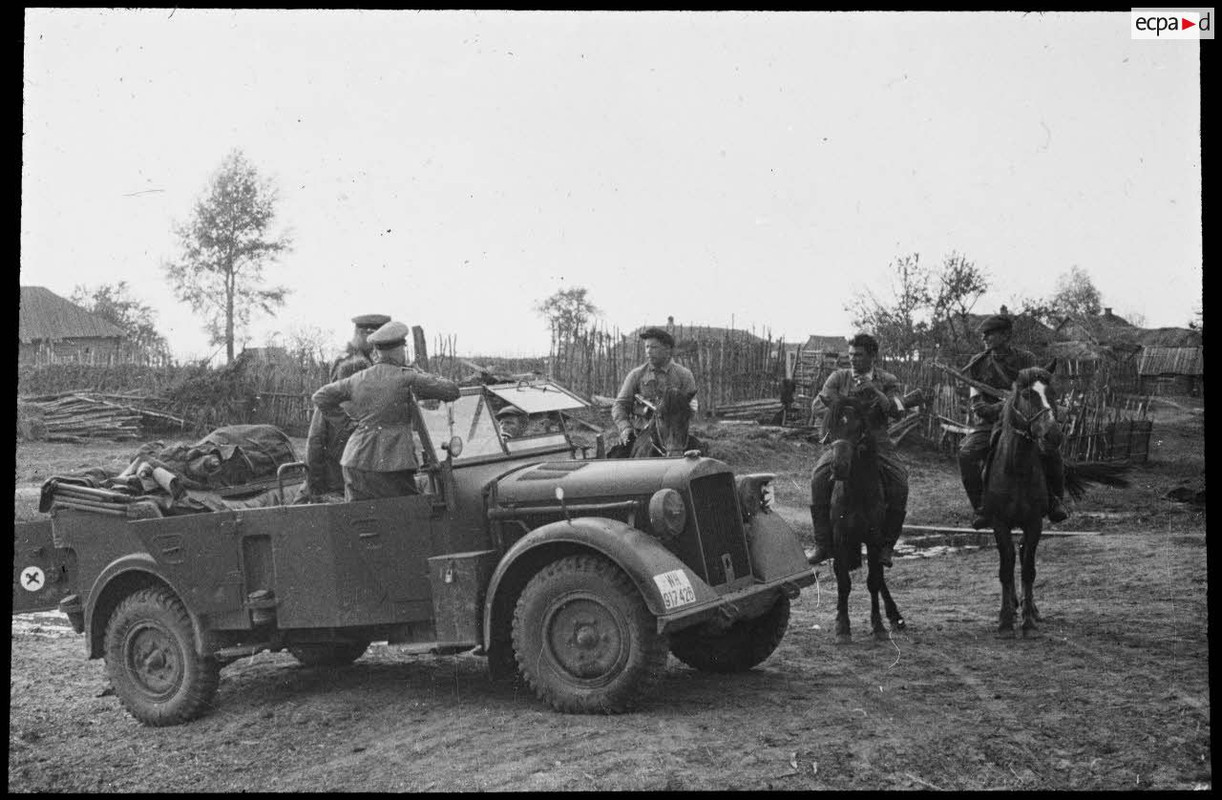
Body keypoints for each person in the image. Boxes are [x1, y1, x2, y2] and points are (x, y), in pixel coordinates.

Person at [312, 320, 461, 502]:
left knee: (359, 519)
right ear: (400, 349)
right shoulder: (407, 376)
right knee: (408, 516)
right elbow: (452, 390)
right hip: (394, 463)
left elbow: (320, 396)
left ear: (377, 351)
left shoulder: (357, 379)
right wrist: (419, 373)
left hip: (355, 461)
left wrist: (348, 425)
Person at [807, 333, 909, 568]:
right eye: (850, 355)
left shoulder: (887, 379)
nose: (853, 360)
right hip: (845, 442)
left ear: (873, 356)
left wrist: (875, 391)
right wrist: (844, 413)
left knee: (900, 481)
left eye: (859, 355)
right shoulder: (839, 378)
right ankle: (823, 544)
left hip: (878, 442)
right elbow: (818, 406)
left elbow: (899, 410)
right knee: (818, 477)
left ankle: (886, 546)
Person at [958, 314, 1067, 529]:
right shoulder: (977, 364)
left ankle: (1055, 500)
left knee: (1052, 449)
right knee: (966, 454)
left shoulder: (1026, 360)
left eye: (990, 334)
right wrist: (999, 408)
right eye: (984, 335)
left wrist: (1015, 407)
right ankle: (980, 507)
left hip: (1024, 422)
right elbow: (978, 404)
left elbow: (1035, 393)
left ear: (1006, 335)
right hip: (991, 423)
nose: (985, 338)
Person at [296, 314, 390, 501]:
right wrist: (316, 484)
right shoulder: (348, 364)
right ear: (364, 333)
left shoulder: (373, 362)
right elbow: (321, 427)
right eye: (374, 340)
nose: (376, 347)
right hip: (339, 473)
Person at [611, 327, 699, 448]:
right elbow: (620, 405)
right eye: (647, 347)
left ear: (667, 349)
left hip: (675, 436)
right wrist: (625, 428)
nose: (649, 351)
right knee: (617, 458)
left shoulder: (684, 375)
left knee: (699, 457)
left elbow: (692, 408)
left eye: (654, 347)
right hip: (640, 435)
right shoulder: (636, 375)